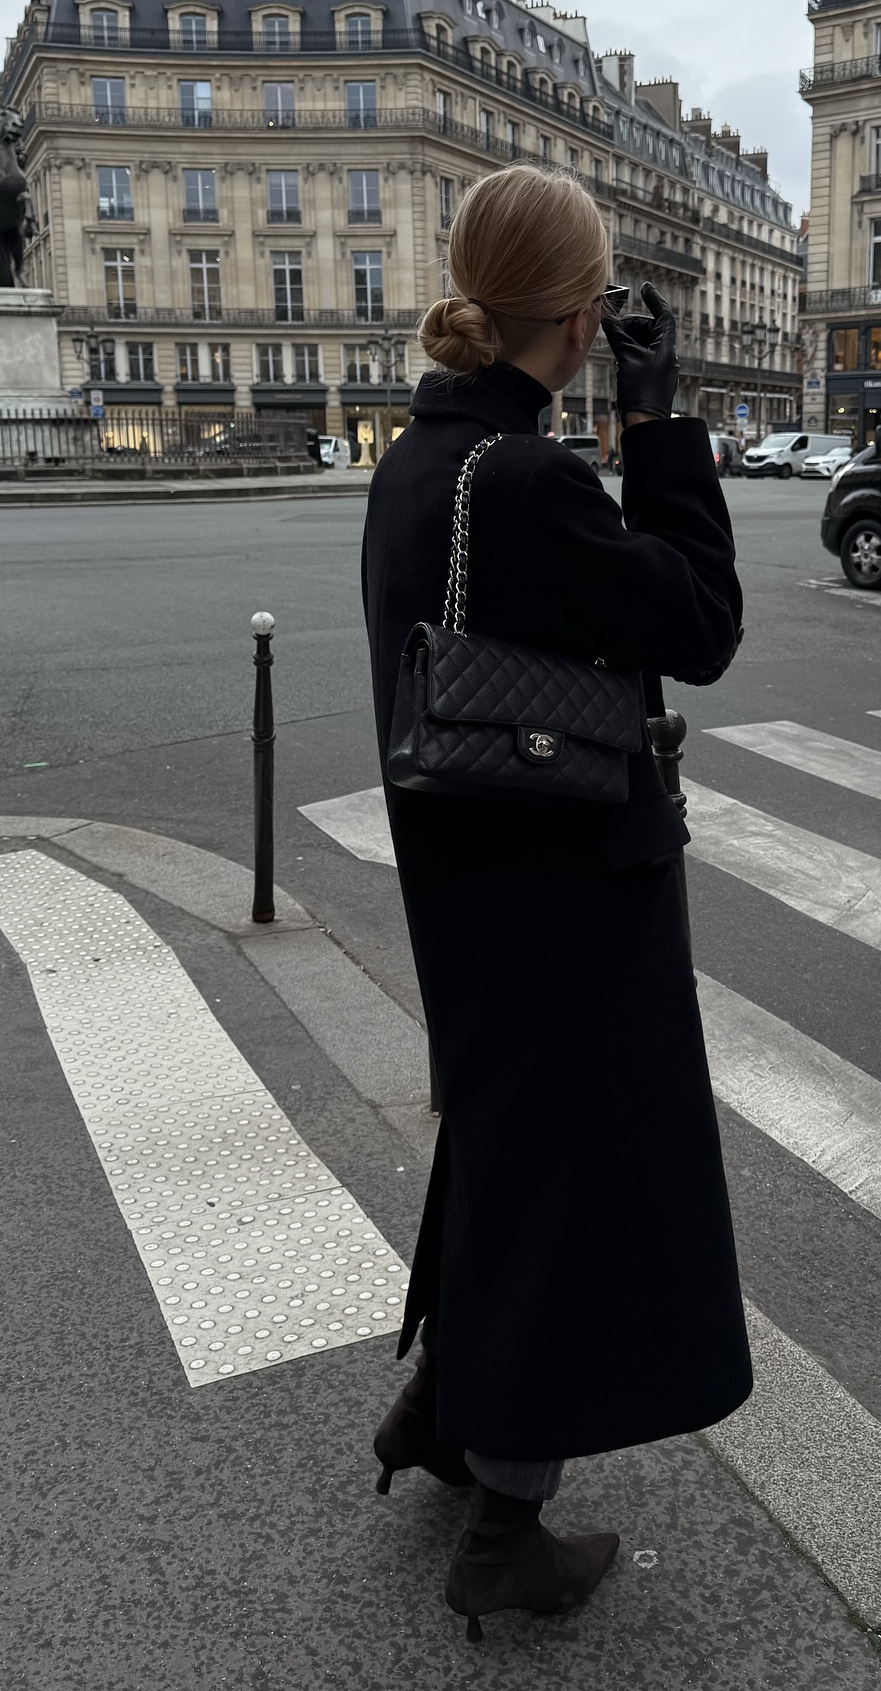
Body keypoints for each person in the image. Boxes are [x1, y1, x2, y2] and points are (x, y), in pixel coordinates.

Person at [361, 161, 752, 1643]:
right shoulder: (522, 480)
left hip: (469, 890)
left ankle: (441, 1417)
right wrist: (660, 429)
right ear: (583, 313)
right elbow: (702, 624)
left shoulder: (422, 461)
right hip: (566, 897)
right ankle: (503, 1534)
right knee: (579, 1196)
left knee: (510, 1160)